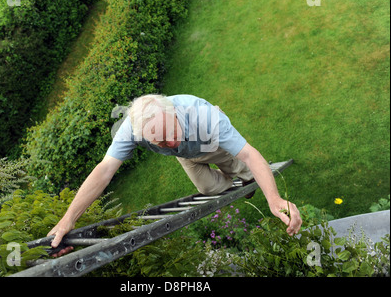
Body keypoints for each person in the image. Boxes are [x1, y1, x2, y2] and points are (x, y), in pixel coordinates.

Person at [48, 94, 302, 256]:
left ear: (173, 113)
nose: (170, 142)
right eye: (159, 142)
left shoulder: (204, 116)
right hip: (187, 155)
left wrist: (275, 199)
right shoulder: (132, 130)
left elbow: (249, 154)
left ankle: (246, 179)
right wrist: (69, 218)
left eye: (171, 132)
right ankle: (236, 180)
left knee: (243, 168)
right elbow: (104, 170)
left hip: (210, 143)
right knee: (207, 189)